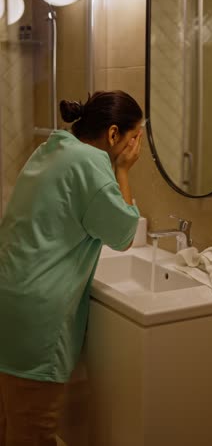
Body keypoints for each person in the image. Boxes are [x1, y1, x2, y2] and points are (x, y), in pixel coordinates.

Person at [0, 90, 143, 445]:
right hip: (36, 317)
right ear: (113, 135)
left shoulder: (52, 148)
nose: (136, 146)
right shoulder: (92, 164)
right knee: (34, 431)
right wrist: (122, 170)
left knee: (11, 423)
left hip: (10, 300)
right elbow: (125, 233)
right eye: (135, 137)